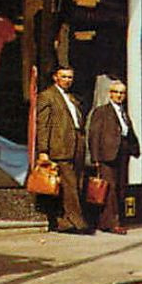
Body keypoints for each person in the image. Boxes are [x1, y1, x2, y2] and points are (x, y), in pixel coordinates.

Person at [35, 65, 90, 233]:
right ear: (55, 77)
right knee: (69, 185)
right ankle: (77, 221)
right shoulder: (47, 96)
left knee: (76, 183)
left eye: (70, 77)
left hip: (76, 144)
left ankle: (65, 221)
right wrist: (43, 150)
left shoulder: (72, 98)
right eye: (64, 77)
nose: (67, 80)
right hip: (59, 146)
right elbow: (43, 124)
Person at [85, 77, 139, 235]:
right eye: (116, 92)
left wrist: (134, 148)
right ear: (110, 94)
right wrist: (95, 158)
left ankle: (110, 220)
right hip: (106, 155)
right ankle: (111, 222)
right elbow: (94, 135)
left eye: (122, 93)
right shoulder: (102, 111)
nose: (119, 95)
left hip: (122, 153)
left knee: (120, 188)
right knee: (110, 189)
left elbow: (128, 132)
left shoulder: (123, 112)